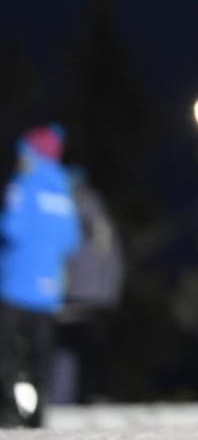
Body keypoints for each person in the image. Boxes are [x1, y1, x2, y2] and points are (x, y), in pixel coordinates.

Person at [0, 125, 82, 428]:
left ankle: (8, 410)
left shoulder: (23, 185)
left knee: (6, 351)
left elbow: (12, 228)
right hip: (48, 290)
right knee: (41, 355)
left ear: (31, 155)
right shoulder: (63, 189)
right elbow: (72, 240)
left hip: (14, 285)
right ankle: (37, 415)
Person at [50, 169, 124, 405]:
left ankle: (85, 399)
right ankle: (63, 400)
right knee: (65, 351)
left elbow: (111, 257)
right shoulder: (62, 213)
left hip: (90, 299)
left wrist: (108, 293)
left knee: (86, 353)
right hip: (71, 297)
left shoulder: (94, 216)